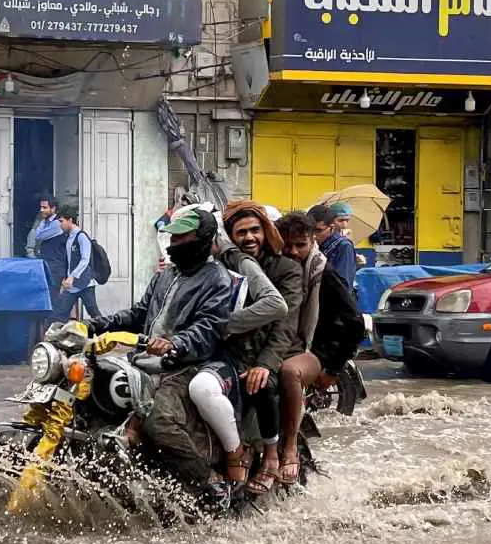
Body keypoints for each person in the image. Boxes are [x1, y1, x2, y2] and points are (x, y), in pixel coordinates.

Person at [83, 207, 234, 500]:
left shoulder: (217, 278)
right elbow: (139, 314)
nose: (175, 244)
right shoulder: (167, 275)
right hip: (141, 361)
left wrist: (175, 342)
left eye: (182, 238)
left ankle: (209, 482)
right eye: (172, 238)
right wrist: (92, 325)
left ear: (203, 238)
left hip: (184, 364)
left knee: (157, 420)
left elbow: (209, 327)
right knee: (91, 393)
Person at [189, 203, 294, 489]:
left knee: (261, 384)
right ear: (230, 237)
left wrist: (264, 363)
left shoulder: (285, 269)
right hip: (226, 351)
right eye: (242, 232)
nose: (249, 237)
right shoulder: (220, 267)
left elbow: (285, 325)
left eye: (255, 230)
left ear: (265, 231)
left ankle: (271, 456)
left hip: (269, 350)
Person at [272, 210, 331, 487]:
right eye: (288, 245)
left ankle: (290, 447)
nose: (294, 251)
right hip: (281, 345)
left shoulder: (323, 272)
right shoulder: (269, 268)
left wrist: (330, 368)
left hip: (311, 350)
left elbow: (352, 325)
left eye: (301, 245)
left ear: (312, 241)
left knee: (287, 372)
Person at [52, 204, 102, 320]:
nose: (60, 225)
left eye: (61, 221)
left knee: (93, 312)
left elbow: (85, 260)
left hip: (85, 283)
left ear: (70, 220)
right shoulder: (68, 237)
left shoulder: (81, 237)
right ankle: (58, 336)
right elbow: (68, 261)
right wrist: (66, 277)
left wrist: (73, 276)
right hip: (72, 285)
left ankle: (106, 333)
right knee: (60, 312)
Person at [310, 202, 359, 289]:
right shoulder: (312, 244)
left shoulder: (344, 246)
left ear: (331, 227)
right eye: (340, 220)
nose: (313, 235)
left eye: (318, 231)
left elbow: (343, 286)